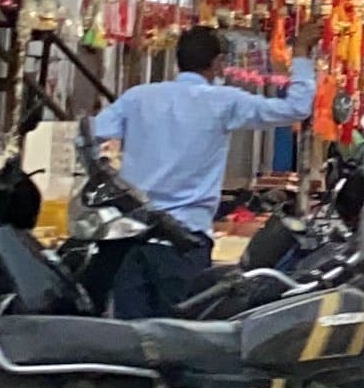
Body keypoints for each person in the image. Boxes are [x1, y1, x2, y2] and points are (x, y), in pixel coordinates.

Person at [85, 24, 315, 319]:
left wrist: (110, 178)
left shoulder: (138, 97)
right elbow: (295, 109)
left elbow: (89, 135)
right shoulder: (223, 101)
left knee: (132, 339)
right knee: (180, 338)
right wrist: (302, 56)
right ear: (218, 63)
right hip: (183, 244)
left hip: (129, 242)